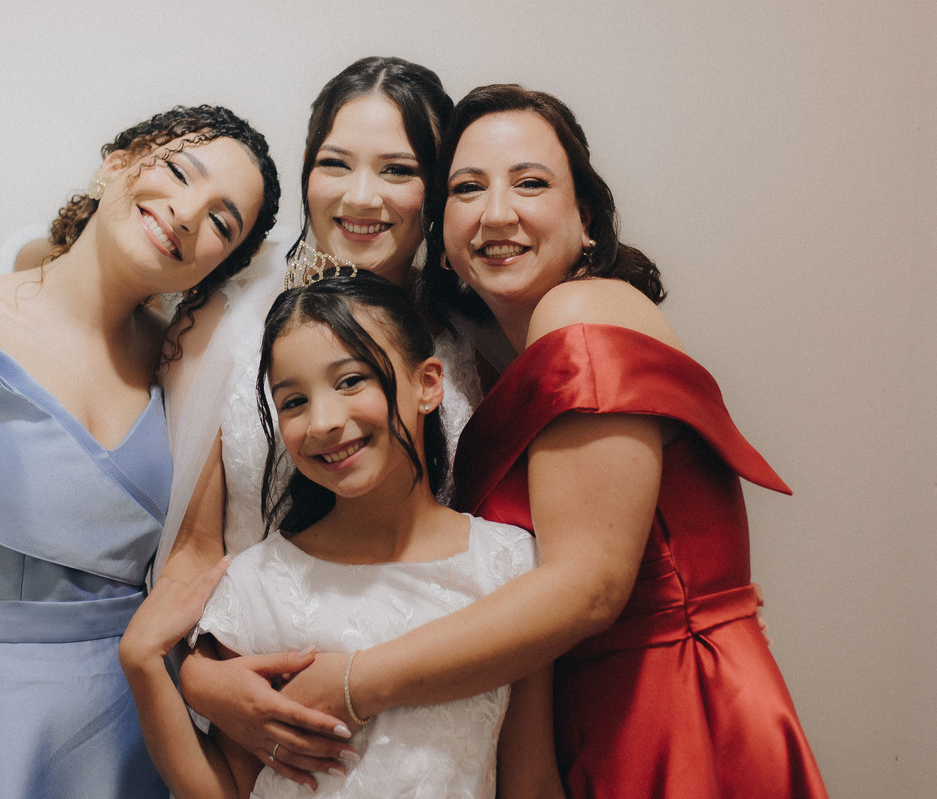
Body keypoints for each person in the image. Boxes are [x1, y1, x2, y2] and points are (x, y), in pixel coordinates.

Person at [181, 85, 828, 797]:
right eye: (468, 187)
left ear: (586, 217)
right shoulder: (486, 360)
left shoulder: (578, 311)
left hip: (671, 702)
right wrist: (203, 677)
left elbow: (588, 589)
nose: (496, 212)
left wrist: (356, 683)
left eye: (530, 183)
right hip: (580, 707)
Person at [0, 104, 280, 799]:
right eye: (178, 172)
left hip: (131, 733)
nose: (186, 213)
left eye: (222, 223)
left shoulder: (184, 369)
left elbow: (196, 558)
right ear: (117, 163)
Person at [120, 274, 564, 798]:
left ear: (427, 384)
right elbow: (230, 789)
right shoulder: (258, 584)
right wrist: (143, 667)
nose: (323, 422)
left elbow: (531, 777)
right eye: (293, 402)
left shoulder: (511, 566)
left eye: (351, 381)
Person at [153, 56, 484, 592]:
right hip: (253, 628)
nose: (360, 198)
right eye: (335, 164)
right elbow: (194, 548)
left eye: (397, 170)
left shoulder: (472, 331)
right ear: (307, 168)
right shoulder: (221, 320)